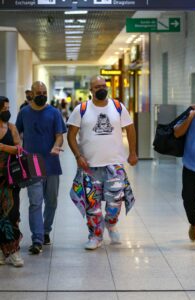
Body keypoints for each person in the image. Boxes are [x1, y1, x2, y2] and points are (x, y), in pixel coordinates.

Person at [67, 75, 138, 250]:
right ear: (91, 90)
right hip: (89, 167)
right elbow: (71, 135)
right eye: (97, 87)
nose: (101, 89)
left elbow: (130, 129)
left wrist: (133, 152)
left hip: (115, 165)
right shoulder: (81, 109)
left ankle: (111, 223)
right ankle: (95, 236)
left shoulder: (118, 107)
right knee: (93, 205)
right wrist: (78, 156)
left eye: (103, 86)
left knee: (115, 202)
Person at [16, 81, 66, 254]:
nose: (42, 95)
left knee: (51, 201)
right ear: (32, 93)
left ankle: (46, 231)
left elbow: (60, 136)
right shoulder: (24, 113)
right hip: (33, 162)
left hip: (51, 162)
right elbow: (17, 134)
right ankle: (37, 239)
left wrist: (56, 146)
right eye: (39, 92)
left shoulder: (54, 113)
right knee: (35, 202)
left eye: (44, 92)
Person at [0, 96, 24, 267]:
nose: (7, 111)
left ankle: (14, 251)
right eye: (3, 109)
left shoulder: (12, 127)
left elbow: (19, 149)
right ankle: (2, 251)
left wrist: (2, 147)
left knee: (12, 214)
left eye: (8, 108)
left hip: (9, 178)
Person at [174, 104, 195, 242]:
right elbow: (177, 132)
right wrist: (190, 117)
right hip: (192, 165)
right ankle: (194, 221)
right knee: (188, 200)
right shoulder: (193, 112)